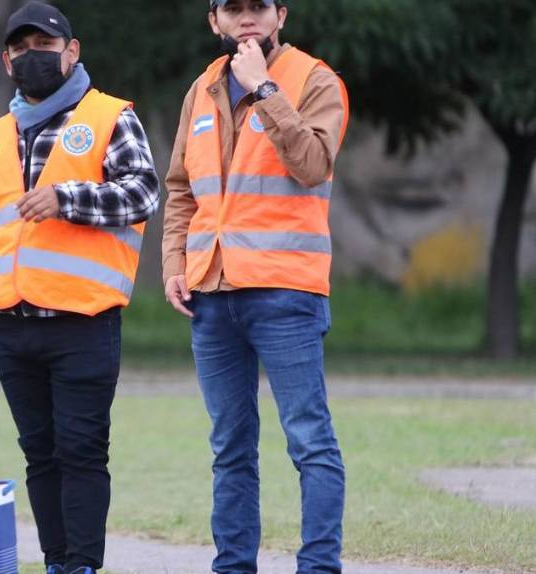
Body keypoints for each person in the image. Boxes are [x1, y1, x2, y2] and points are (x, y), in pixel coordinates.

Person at [0, 3, 159, 573]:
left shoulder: (109, 117)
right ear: (6, 61)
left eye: (44, 46)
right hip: (8, 322)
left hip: (84, 322)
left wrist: (67, 199)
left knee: (82, 451)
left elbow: (143, 192)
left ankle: (83, 566)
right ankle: (57, 563)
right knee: (39, 456)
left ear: (72, 51)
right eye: (20, 49)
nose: (33, 56)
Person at [161, 0, 349, 572]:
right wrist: (174, 262)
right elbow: (180, 189)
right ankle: (233, 566)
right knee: (230, 449)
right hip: (211, 295)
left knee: (309, 441)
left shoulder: (315, 80)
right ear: (214, 20)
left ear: (281, 16)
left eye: (259, 7)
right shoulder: (201, 89)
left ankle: (318, 567)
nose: (248, 18)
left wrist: (265, 89)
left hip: (285, 292)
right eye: (233, 9)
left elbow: (313, 163)